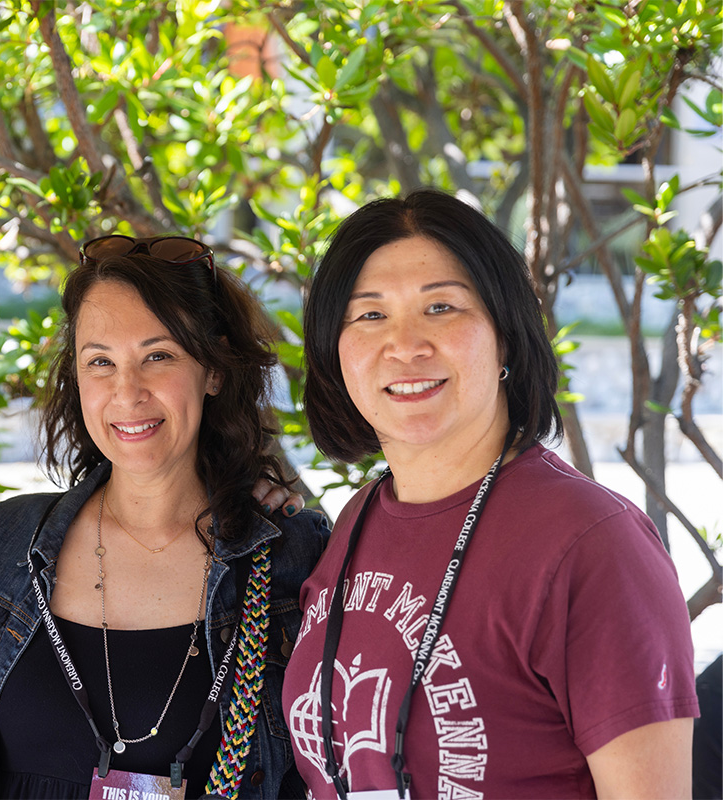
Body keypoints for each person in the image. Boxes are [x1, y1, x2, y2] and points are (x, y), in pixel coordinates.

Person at [284, 188, 700, 798]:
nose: (405, 345)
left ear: (504, 334)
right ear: (334, 352)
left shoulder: (591, 544)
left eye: (441, 308)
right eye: (370, 314)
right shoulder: (357, 521)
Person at [0, 236, 329, 798]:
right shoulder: (12, 543)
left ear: (213, 370)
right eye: (100, 361)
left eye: (158, 356)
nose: (127, 391)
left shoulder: (287, 555)